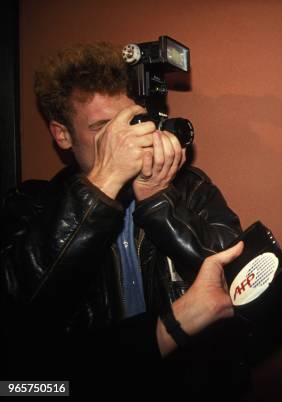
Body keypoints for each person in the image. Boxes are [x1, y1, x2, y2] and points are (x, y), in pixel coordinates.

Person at [0, 42, 246, 398]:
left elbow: (239, 279)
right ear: (62, 134)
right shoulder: (31, 205)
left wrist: (158, 201)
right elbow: (20, 338)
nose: (127, 140)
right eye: (104, 127)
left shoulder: (189, 186)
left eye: (132, 122)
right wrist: (104, 183)